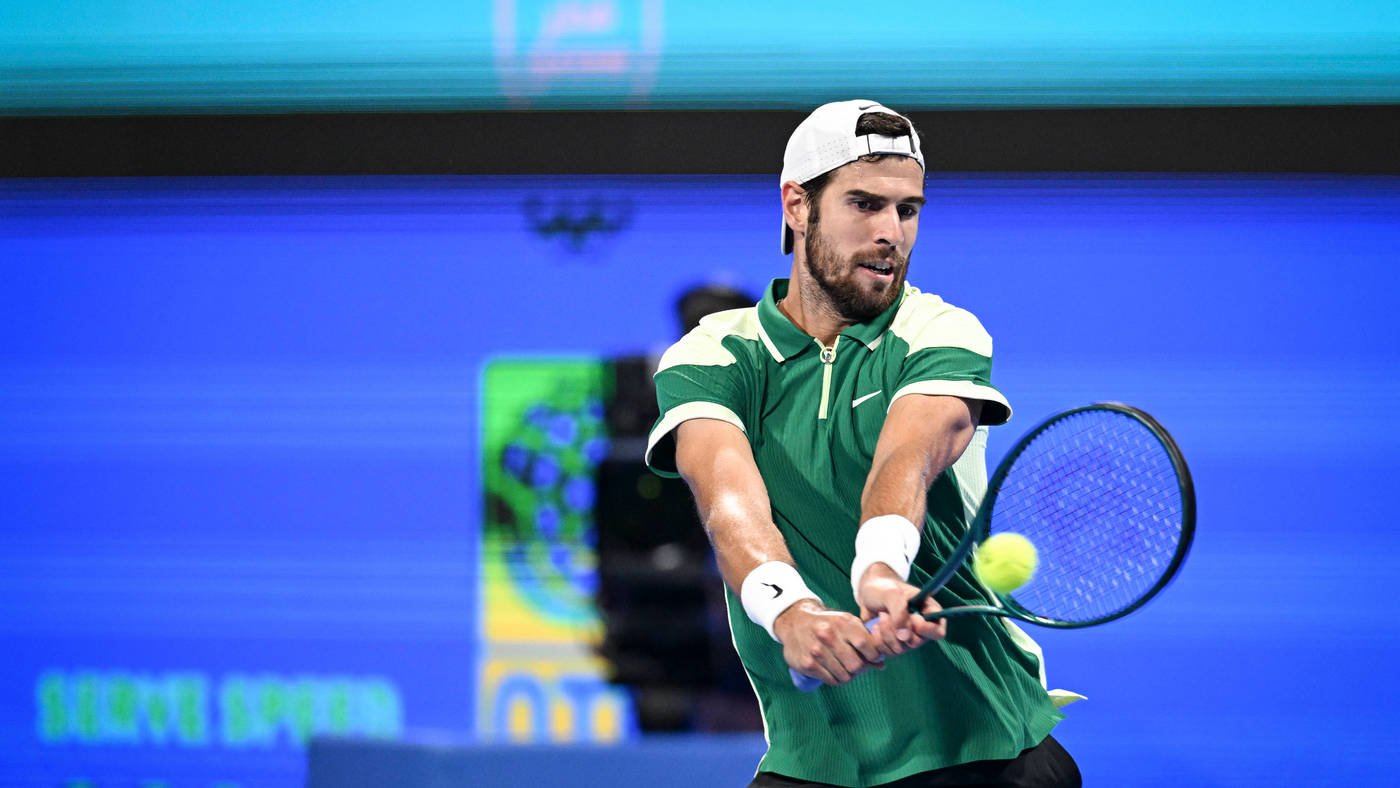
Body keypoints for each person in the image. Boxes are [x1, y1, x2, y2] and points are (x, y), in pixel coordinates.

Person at [644, 100, 1082, 787]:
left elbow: (908, 456)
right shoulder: (715, 354)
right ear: (797, 206)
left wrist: (879, 570)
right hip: (814, 760)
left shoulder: (940, 332)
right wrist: (789, 610)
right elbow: (728, 502)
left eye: (908, 210)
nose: (891, 234)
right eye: (865, 204)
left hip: (983, 750)